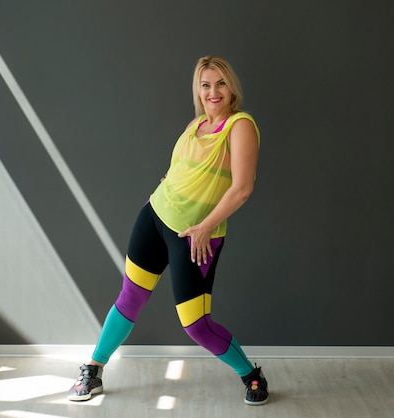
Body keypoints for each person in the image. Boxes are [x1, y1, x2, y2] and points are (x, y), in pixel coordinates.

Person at [67, 55, 269, 406]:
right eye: (205, 85)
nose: (213, 92)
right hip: (154, 217)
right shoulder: (196, 124)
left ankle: (250, 375)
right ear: (198, 90)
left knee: (196, 325)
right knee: (129, 297)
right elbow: (179, 168)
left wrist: (205, 226)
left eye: (220, 83)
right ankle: (93, 368)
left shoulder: (240, 126)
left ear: (231, 86)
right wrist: (169, 184)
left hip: (195, 235)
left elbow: (242, 188)